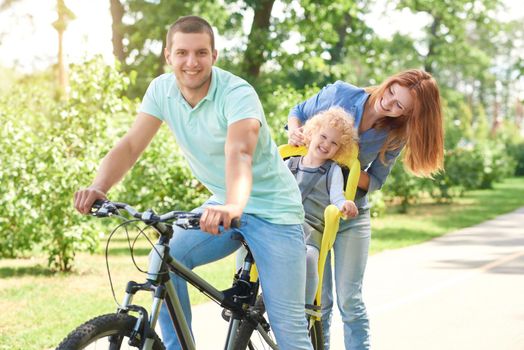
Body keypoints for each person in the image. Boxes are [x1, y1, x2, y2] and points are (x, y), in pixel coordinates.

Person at [74, 15, 313, 350]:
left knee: (289, 330)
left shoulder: (237, 93)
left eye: (201, 52)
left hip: (274, 212)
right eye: (182, 53)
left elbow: (240, 151)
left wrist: (232, 205)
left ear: (214, 56)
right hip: (224, 202)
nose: (191, 62)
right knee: (163, 258)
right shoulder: (161, 90)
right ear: (168, 56)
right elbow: (130, 146)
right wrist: (99, 187)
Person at [287, 69, 444, 350]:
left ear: (408, 115)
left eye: (400, 106)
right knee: (319, 300)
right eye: (392, 92)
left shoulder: (395, 134)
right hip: (313, 216)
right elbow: (297, 111)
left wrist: (341, 162)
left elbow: (376, 180)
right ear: (392, 80)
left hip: (352, 214)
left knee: (350, 300)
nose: (389, 103)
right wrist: (296, 131)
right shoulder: (341, 94)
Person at [284, 107, 359, 307]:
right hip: (283, 224)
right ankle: (242, 290)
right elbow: (272, 190)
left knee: (309, 258)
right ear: (311, 133)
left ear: (339, 149)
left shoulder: (332, 170)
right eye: (323, 136)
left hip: (311, 229)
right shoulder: (289, 164)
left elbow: (337, 197)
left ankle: (305, 308)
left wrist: (345, 204)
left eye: (334, 143)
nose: (326, 144)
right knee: (246, 238)